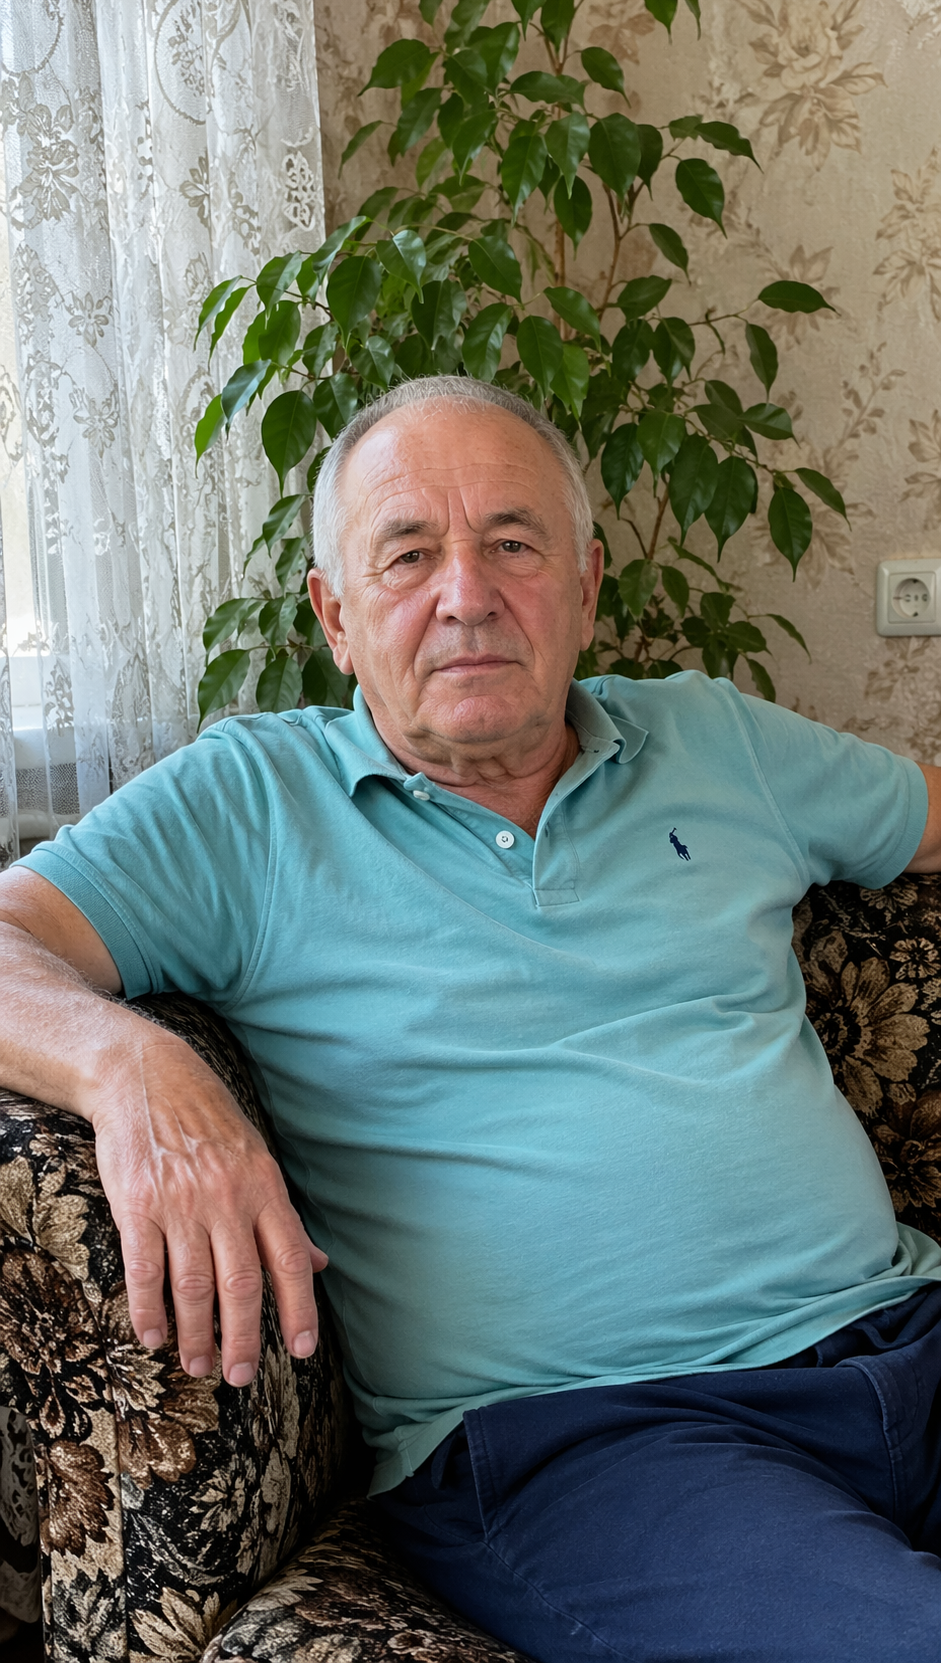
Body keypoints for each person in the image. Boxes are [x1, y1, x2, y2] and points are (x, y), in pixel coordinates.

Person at [2, 376, 941, 1662]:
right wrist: (131, 1068)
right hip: (597, 1441)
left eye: (512, 543)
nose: (465, 595)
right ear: (335, 616)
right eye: (406, 555)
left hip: (905, 1331)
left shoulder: (715, 741)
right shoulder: (251, 804)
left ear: (585, 586)